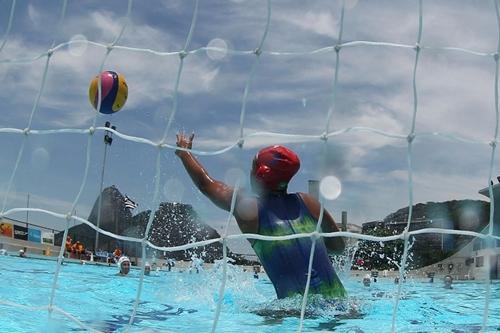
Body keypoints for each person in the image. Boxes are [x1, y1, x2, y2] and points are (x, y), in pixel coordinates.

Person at [175, 132, 346, 299]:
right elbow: (338, 247)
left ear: (259, 174)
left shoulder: (249, 209)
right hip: (342, 305)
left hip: (291, 313)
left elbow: (207, 185)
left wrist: (184, 154)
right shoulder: (309, 202)